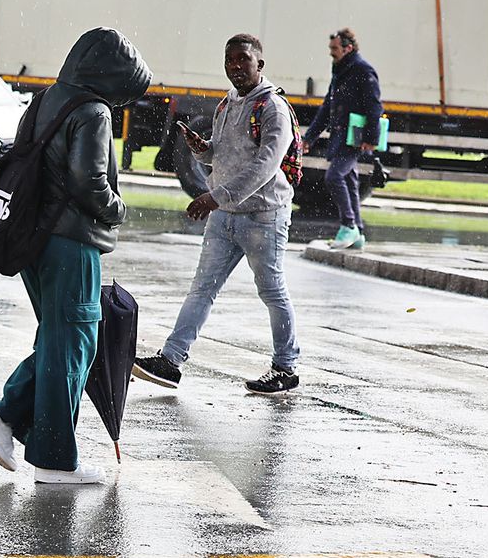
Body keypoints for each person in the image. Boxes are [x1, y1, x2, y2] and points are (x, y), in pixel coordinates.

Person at [0, 27, 152, 485]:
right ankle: (47, 452)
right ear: (111, 76)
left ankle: (12, 422)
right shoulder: (93, 111)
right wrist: (118, 208)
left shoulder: (47, 98)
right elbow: (87, 181)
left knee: (61, 338)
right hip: (71, 242)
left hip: (35, 238)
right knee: (74, 341)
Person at [132, 33, 300, 396]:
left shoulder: (272, 108)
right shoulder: (228, 103)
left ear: (260, 64)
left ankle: (286, 367)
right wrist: (201, 150)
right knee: (201, 289)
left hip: (263, 216)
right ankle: (171, 361)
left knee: (272, 292)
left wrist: (214, 197)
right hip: (225, 216)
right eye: (230, 61)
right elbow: (221, 156)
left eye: (243, 59)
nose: (235, 67)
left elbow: (265, 166)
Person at [302, 27, 381, 251]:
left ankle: (348, 225)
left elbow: (374, 106)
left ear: (348, 48)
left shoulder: (362, 70)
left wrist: (370, 137)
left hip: (354, 136)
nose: (331, 53)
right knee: (349, 180)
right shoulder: (341, 69)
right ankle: (357, 232)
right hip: (341, 133)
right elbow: (328, 106)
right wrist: (310, 138)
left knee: (334, 177)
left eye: (334, 48)